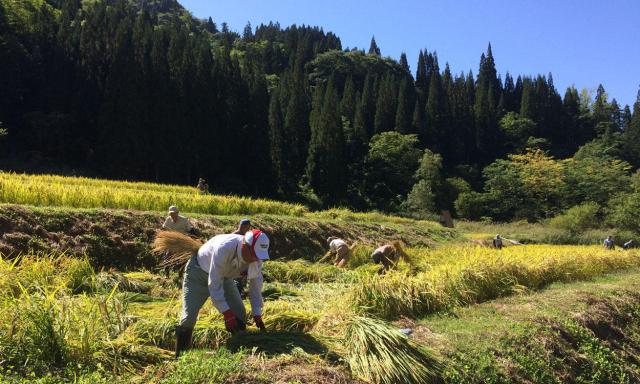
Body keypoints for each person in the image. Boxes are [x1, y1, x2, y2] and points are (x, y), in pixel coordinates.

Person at [175, 229, 270, 357]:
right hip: (198, 274)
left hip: (225, 277)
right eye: (254, 254)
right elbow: (214, 285)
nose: (255, 259)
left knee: (240, 313)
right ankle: (180, 356)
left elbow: (255, 287)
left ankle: (238, 352)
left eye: (258, 256)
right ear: (244, 246)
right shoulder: (224, 248)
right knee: (188, 319)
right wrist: (226, 313)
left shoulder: (256, 258)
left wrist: (257, 313)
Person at [232, 218, 251, 296]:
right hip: (235, 261)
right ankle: (236, 295)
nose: (248, 229)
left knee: (242, 278)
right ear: (243, 226)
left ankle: (240, 293)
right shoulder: (234, 235)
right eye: (247, 227)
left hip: (243, 260)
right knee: (236, 279)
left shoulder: (246, 236)